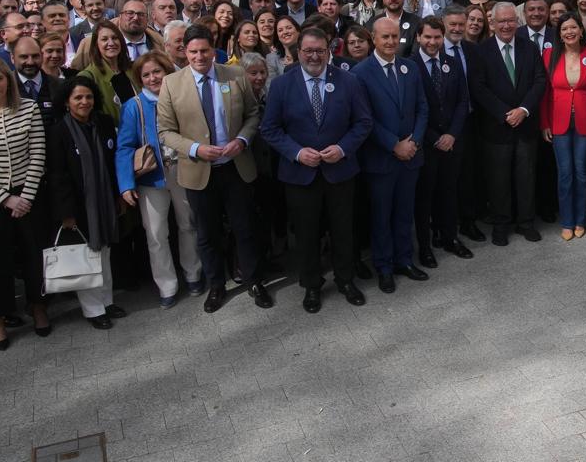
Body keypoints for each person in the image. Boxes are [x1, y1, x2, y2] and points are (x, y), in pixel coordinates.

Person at [156, 25, 273, 313]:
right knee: (206, 233)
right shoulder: (171, 83)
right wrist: (195, 149)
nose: (199, 57)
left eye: (204, 51)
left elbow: (253, 114)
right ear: (185, 51)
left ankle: (254, 281)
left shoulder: (234, 76)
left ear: (213, 50)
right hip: (198, 170)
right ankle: (216, 285)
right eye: (193, 51)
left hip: (235, 166)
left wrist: (242, 140)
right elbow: (165, 131)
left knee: (244, 228)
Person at [260, 26, 372, 312]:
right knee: (307, 234)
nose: (313, 56)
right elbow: (270, 129)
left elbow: (363, 123)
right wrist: (297, 153)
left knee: (343, 230)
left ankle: (346, 280)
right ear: (298, 53)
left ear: (328, 51)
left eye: (319, 51)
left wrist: (342, 148)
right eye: (308, 51)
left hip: (340, 171)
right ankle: (311, 285)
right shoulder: (282, 84)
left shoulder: (348, 81)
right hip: (300, 175)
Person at [0, 56, 50, 348]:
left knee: (33, 253)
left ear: (8, 81)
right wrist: (6, 198)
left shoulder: (28, 108)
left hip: (28, 194)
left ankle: (38, 306)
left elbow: (38, 153)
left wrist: (24, 196)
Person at [115, 51, 203, 308]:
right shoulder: (134, 106)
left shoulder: (182, 98)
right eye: (146, 74)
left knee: (189, 225)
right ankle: (167, 285)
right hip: (151, 178)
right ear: (139, 79)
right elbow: (124, 147)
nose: (153, 78)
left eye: (157, 72)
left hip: (183, 171)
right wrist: (126, 184)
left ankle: (193, 273)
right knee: (155, 234)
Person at [352, 17, 430, 293]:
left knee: (404, 213)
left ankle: (404, 260)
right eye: (385, 37)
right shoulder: (361, 73)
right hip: (381, 158)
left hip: (411, 157)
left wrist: (415, 142)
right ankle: (384, 267)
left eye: (395, 37)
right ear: (374, 38)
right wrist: (393, 144)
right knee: (381, 216)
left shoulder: (410, 68)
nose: (390, 42)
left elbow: (422, 108)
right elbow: (365, 118)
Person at [47, 75, 125, 329]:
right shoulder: (59, 132)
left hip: (104, 202)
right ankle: (93, 310)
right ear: (67, 102)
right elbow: (58, 176)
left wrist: (117, 195)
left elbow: (112, 164)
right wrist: (66, 213)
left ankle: (107, 301)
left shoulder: (103, 123)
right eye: (78, 97)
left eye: (88, 96)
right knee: (88, 254)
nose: (84, 102)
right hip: (79, 207)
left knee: (105, 253)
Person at [466, 2, 546, 246]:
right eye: (501, 21)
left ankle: (525, 222)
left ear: (517, 21)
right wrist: (504, 113)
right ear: (493, 23)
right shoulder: (482, 51)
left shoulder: (530, 48)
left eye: (511, 20)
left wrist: (523, 110)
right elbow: (478, 88)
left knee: (526, 176)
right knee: (498, 178)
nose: (507, 25)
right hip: (496, 127)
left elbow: (539, 80)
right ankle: (501, 224)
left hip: (525, 125)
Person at [413, 17, 473, 262]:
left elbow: (462, 101)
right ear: (418, 37)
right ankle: (425, 246)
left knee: (449, 192)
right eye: (427, 37)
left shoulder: (451, 62)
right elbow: (414, 109)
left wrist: (451, 135)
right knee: (425, 197)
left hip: (451, 142)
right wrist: (434, 137)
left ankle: (450, 237)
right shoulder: (409, 65)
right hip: (426, 143)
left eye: (437, 37)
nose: (433, 42)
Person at [540, 12, 586, 241]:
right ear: (559, 33)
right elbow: (544, 93)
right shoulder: (549, 55)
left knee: (581, 172)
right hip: (558, 121)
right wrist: (544, 122)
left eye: (573, 27)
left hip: (585, 120)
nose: (569, 32)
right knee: (565, 173)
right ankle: (566, 220)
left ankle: (580, 219)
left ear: (581, 30)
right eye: (564, 29)